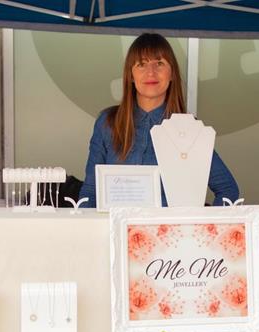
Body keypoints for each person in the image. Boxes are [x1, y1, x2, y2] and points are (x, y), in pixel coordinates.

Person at [79, 33, 239, 207]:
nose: (151, 72)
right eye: (142, 64)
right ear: (130, 75)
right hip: (115, 224)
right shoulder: (108, 122)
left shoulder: (190, 128)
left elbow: (228, 190)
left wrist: (203, 223)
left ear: (172, 74)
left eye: (159, 63)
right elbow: (90, 192)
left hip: (169, 225)